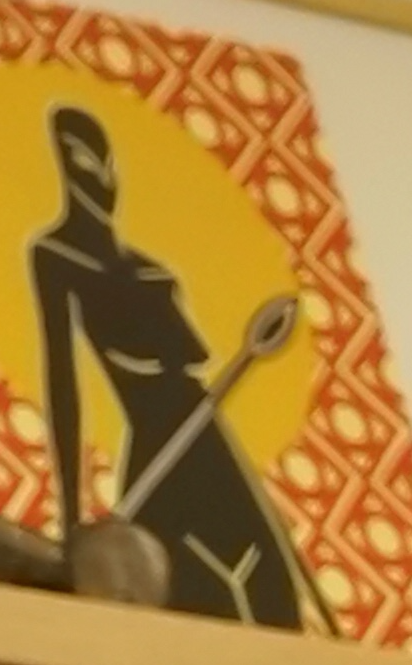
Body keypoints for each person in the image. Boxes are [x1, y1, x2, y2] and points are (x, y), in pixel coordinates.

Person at [27, 96, 306, 625]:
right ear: (66, 164)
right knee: (182, 595)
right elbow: (63, 383)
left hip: (205, 424)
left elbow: (193, 354)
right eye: (84, 161)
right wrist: (68, 519)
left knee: (269, 567)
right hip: (157, 437)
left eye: (105, 162)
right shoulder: (58, 257)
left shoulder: (149, 266)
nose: (102, 179)